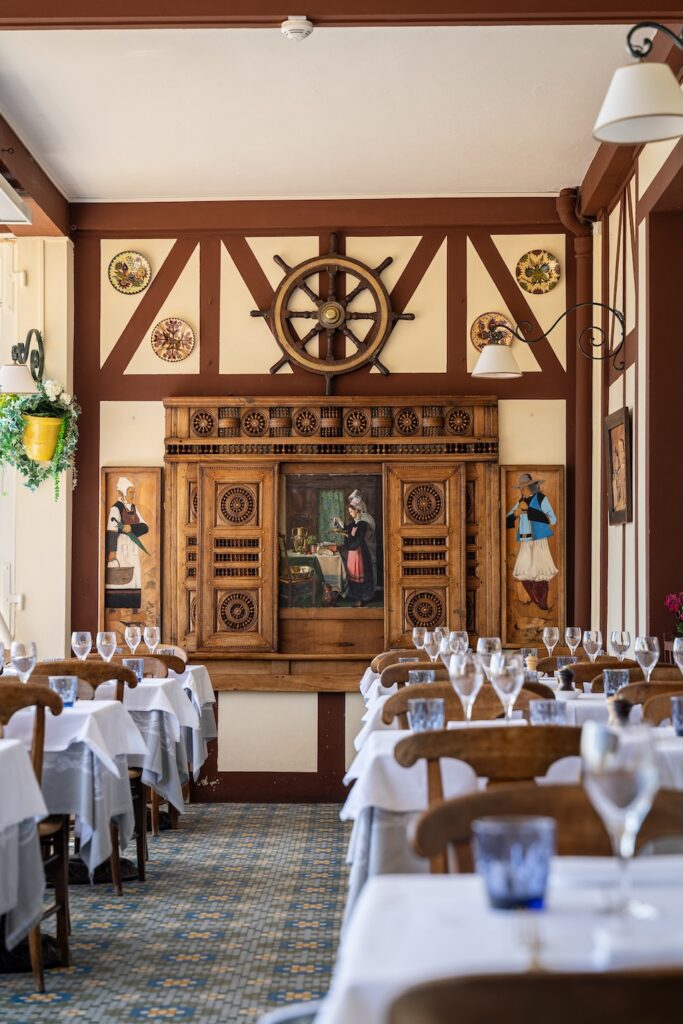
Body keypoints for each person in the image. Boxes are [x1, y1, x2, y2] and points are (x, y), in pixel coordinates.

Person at [506, 471, 557, 612]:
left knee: (540, 573)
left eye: (524, 487)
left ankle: (542, 603)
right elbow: (505, 520)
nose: (522, 490)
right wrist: (514, 515)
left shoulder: (541, 499)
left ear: (530, 487)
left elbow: (552, 519)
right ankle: (537, 600)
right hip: (525, 541)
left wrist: (529, 511)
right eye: (521, 488)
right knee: (523, 572)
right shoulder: (519, 502)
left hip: (539, 540)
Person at [105, 477, 150, 610]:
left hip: (132, 547)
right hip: (120, 547)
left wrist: (131, 528)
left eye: (134, 492)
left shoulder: (134, 508)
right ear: (123, 493)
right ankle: (115, 607)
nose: (133, 495)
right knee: (119, 574)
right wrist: (112, 551)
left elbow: (145, 526)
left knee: (135, 575)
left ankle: (133, 607)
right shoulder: (116, 508)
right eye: (131, 492)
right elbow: (112, 530)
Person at [340, 490, 375, 607]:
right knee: (352, 576)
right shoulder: (353, 523)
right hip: (352, 553)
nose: (350, 513)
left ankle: (361, 598)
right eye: (349, 511)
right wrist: (340, 525)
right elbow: (347, 530)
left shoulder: (362, 524)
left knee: (360, 577)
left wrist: (347, 536)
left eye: (351, 511)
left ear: (358, 510)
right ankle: (355, 596)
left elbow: (357, 539)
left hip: (359, 553)